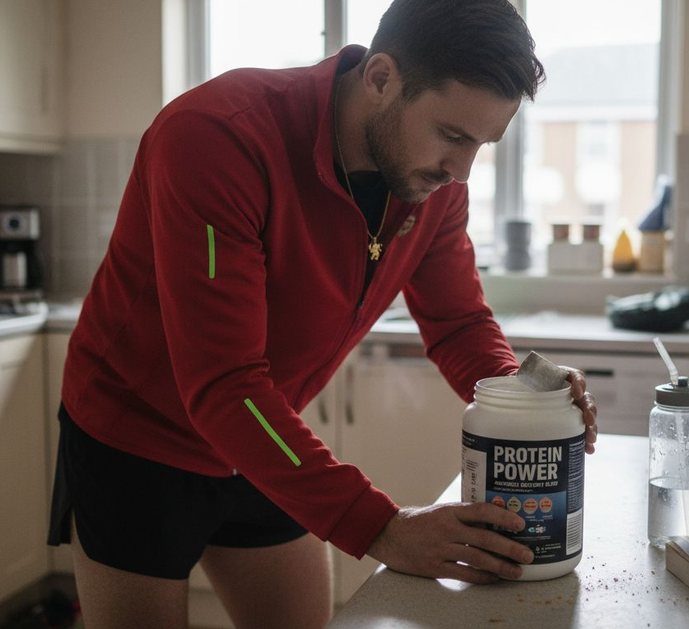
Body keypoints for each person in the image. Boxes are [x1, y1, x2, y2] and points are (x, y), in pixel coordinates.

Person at [46, 0, 599, 627]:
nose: (461, 171)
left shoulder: (432, 182)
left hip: (263, 435)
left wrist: (524, 393)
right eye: (452, 136)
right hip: (135, 442)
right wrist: (385, 528)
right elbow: (223, 382)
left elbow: (458, 323)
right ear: (382, 78)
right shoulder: (216, 136)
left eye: (483, 145)